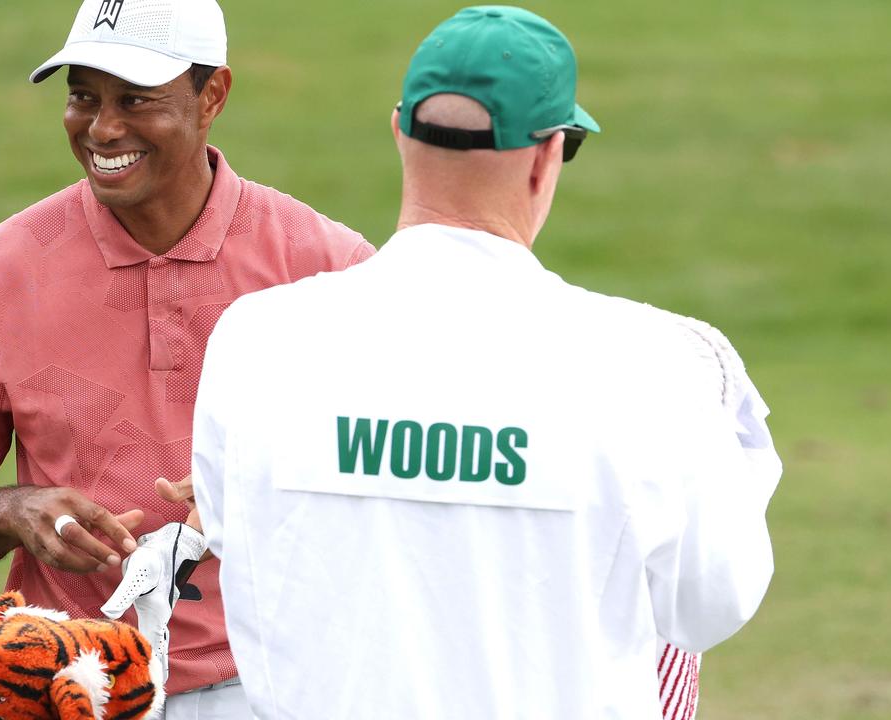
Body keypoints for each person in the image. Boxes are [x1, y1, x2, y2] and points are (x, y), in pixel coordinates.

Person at [189, 6, 781, 718]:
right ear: (546, 156)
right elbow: (712, 604)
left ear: (400, 131)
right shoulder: (654, 365)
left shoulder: (257, 340)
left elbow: (232, 531)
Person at [0, 0, 374, 715]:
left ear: (212, 96)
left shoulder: (329, 270)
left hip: (279, 685)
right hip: (65, 683)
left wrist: (256, 489)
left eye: (136, 100)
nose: (102, 128)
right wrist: (15, 511)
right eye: (82, 96)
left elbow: (395, 489)